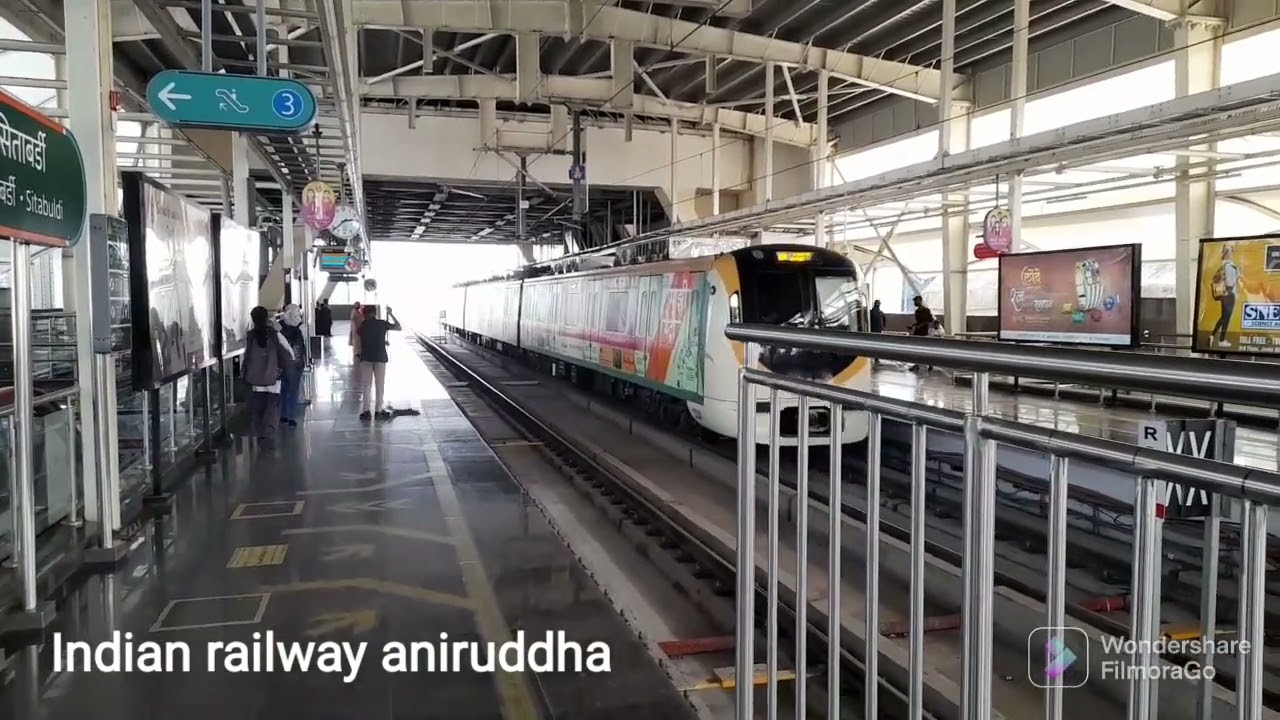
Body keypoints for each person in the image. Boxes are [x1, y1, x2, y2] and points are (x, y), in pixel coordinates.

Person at [241, 306, 294, 445]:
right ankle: (268, 431)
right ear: (266, 318)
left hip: (255, 378)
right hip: (272, 377)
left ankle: (259, 431)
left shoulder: (250, 335)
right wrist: (285, 367)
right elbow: (285, 353)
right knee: (272, 404)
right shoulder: (273, 334)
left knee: (258, 405)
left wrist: (245, 372)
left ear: (253, 319)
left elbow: (247, 356)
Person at [357, 305, 402, 421]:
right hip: (380, 357)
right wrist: (390, 313)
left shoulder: (363, 325)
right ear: (374, 313)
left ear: (365, 314)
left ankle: (366, 412)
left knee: (366, 385)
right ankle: (378, 411)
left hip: (366, 358)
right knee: (379, 385)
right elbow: (398, 327)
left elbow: (361, 338)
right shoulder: (382, 323)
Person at [278, 304, 307, 427]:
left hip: (283, 363)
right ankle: (291, 416)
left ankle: (283, 415)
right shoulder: (301, 329)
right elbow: (303, 346)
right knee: (293, 390)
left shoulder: (280, 328)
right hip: (296, 363)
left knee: (283, 389)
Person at [1211, 244, 1239, 348]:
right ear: (1227, 253)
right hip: (1229, 294)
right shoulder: (1229, 266)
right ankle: (1221, 340)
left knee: (1223, 317)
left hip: (1224, 294)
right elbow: (1230, 282)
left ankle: (1212, 335)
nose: (1232, 253)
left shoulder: (1223, 265)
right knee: (1226, 318)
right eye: (1230, 251)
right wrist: (1237, 274)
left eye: (1232, 251)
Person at [909, 295, 934, 372]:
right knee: (916, 349)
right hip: (917, 332)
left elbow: (930, 320)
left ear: (920, 301)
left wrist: (922, 325)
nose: (914, 303)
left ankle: (930, 364)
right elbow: (918, 322)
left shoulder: (926, 311)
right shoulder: (917, 312)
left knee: (925, 349)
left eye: (915, 301)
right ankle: (917, 364)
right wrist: (913, 325)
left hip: (924, 333)